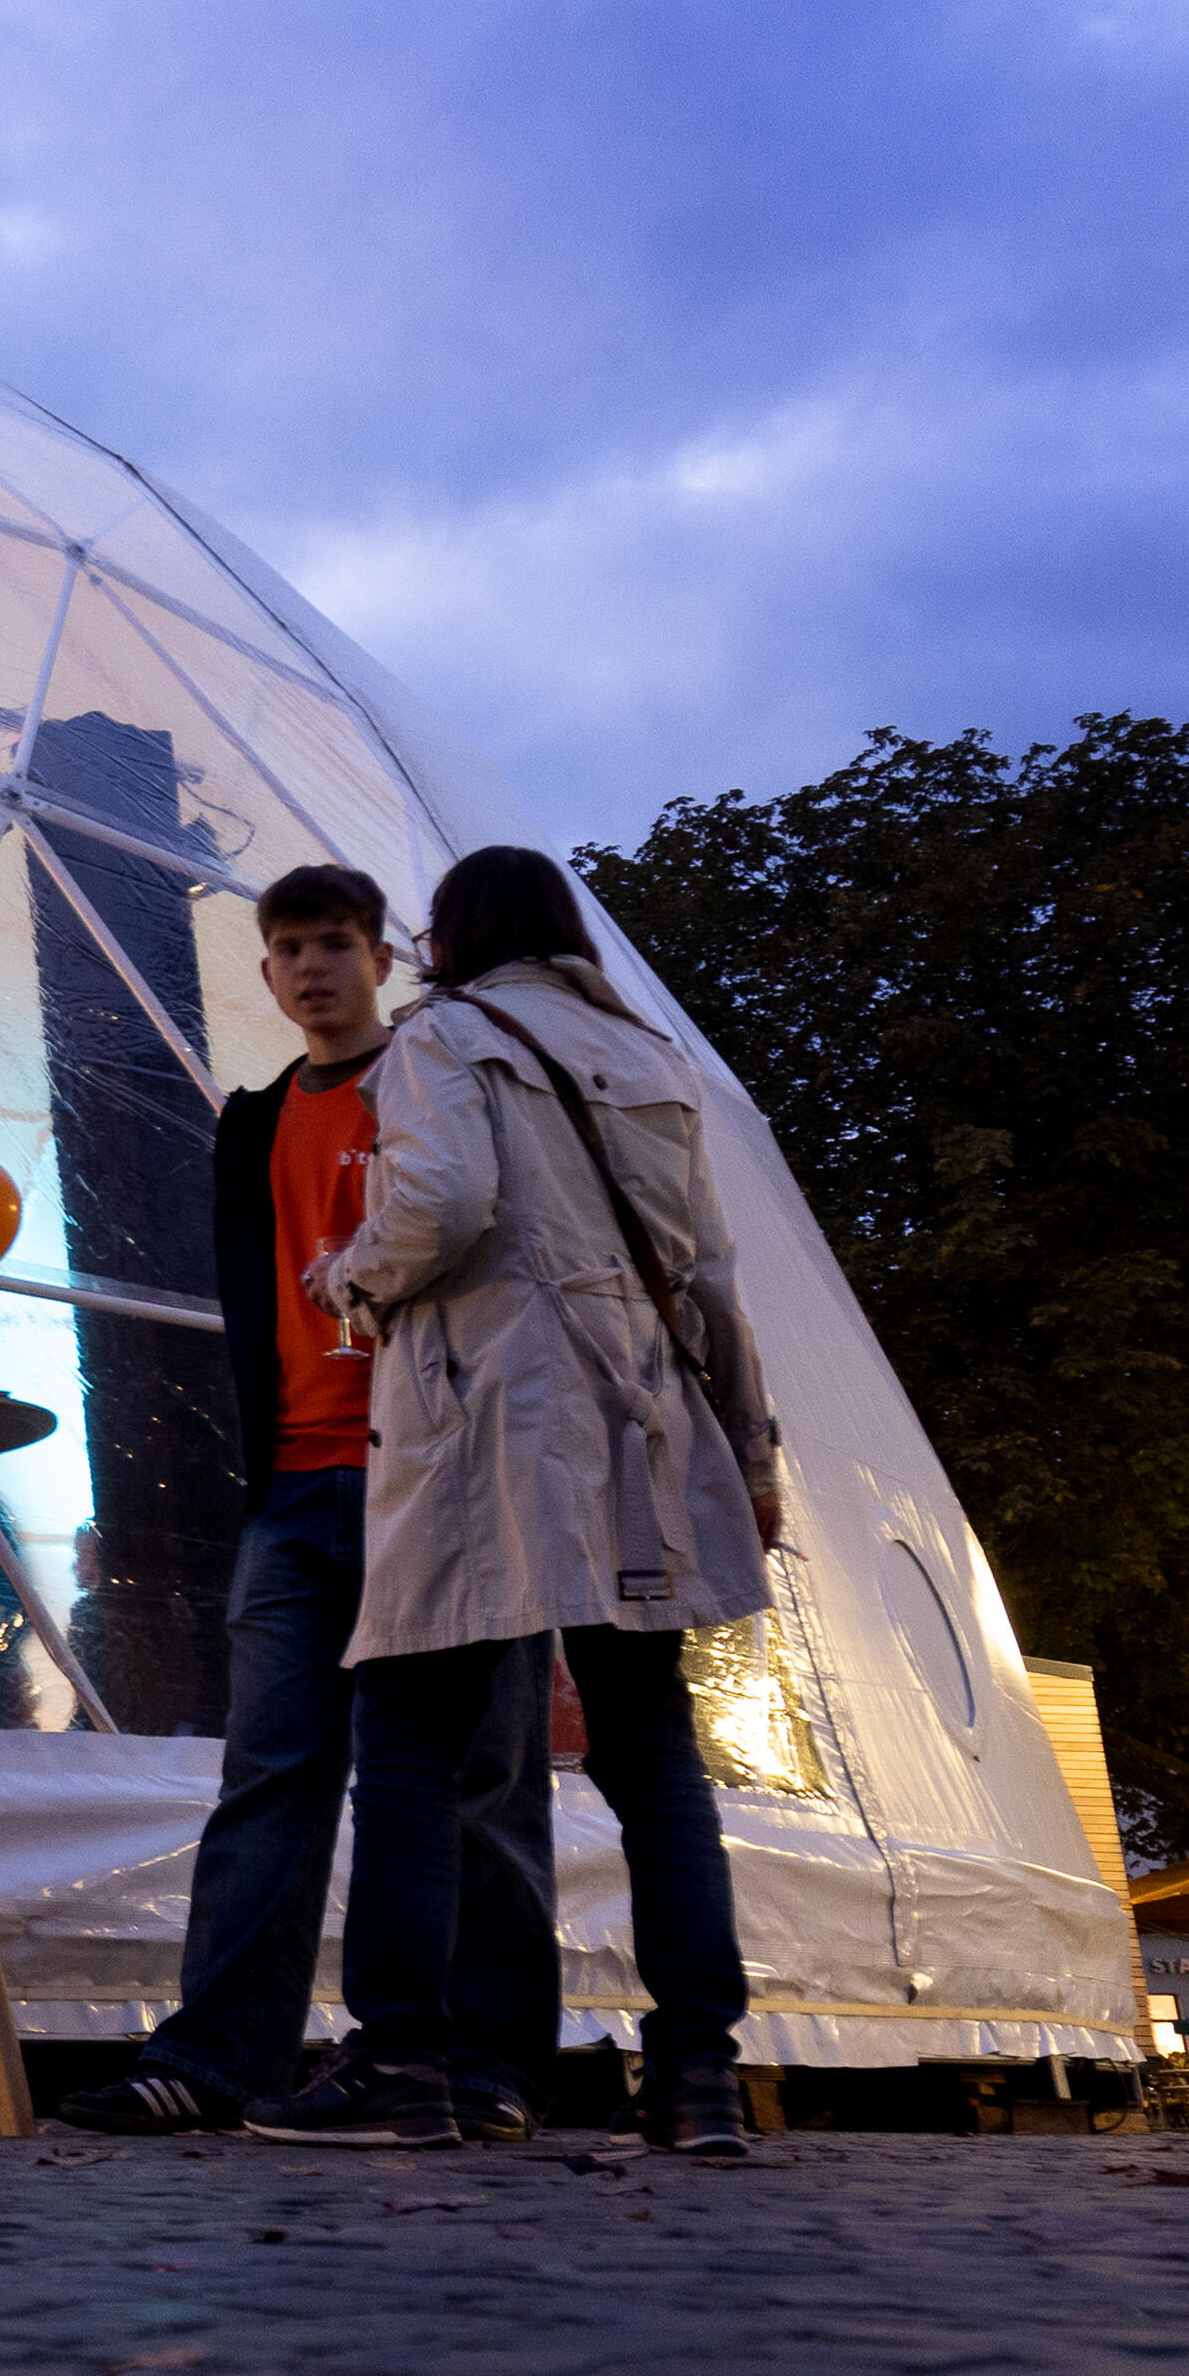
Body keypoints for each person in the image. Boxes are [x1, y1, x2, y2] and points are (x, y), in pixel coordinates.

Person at [279, 845, 779, 2157]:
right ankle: (697, 2072)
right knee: (652, 1747)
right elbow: (711, 1275)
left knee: (407, 1731)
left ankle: (402, 2057)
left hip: (490, 1410)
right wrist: (753, 1450)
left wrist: (349, 1272)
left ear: (453, 933)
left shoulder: (442, 1035)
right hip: (641, 1419)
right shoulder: (651, 1056)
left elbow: (444, 1199)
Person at [54, 864, 561, 2143]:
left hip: (443, 1472)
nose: (310, 967)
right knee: (269, 1771)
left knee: (479, 1776)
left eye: (334, 942)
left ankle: (482, 2060)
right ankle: (221, 2052)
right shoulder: (255, 1121)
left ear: (382, 957)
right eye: (286, 948)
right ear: (266, 972)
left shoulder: (442, 1076)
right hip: (295, 1482)